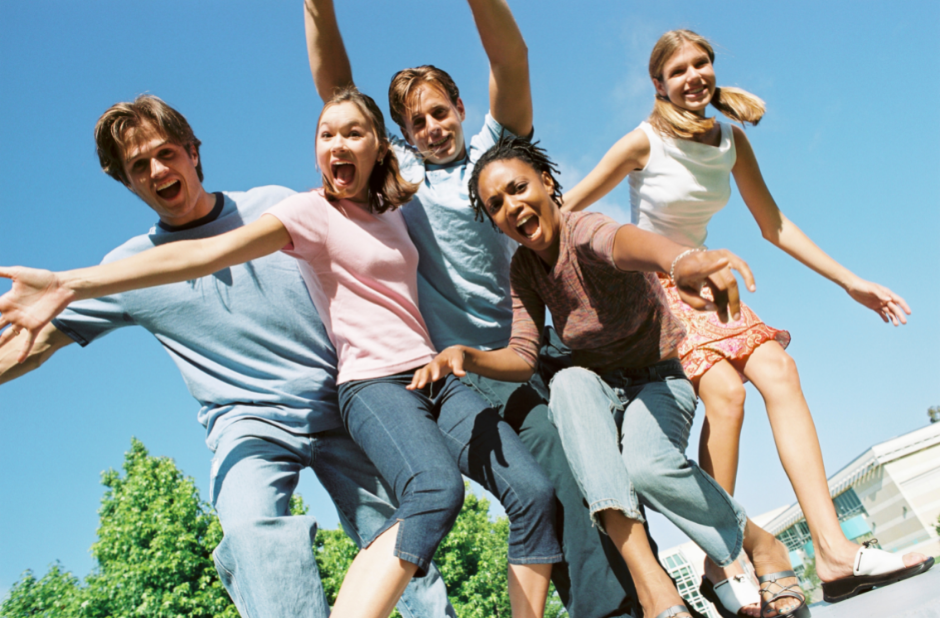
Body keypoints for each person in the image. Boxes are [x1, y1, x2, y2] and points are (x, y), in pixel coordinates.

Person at [0, 87, 561, 618]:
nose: (156, 172)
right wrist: (66, 288)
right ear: (128, 184)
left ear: (194, 153)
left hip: (338, 402)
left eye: (165, 154)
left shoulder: (276, 204)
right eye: (138, 168)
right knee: (252, 531)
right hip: (250, 423)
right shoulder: (131, 266)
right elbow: (38, 339)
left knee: (409, 526)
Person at [303, 2, 659, 615]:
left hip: (547, 346)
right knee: (553, 466)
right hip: (478, 366)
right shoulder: (402, 176)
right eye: (417, 122)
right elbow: (338, 94)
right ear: (404, 135)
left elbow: (510, 59)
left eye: (441, 112)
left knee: (608, 468)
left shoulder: (496, 154)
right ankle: (613, 609)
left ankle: (658, 591)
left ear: (462, 109)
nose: (432, 127)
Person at [562, 29, 933, 615]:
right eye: (678, 70)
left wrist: (850, 281)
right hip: (658, 291)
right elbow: (568, 213)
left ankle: (834, 553)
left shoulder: (730, 140)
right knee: (726, 393)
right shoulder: (642, 141)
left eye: (701, 64)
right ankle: (723, 560)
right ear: (658, 85)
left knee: (779, 370)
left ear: (712, 68)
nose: (693, 77)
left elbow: (774, 224)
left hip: (711, 286)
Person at [409, 136, 811, 618]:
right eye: (496, 204)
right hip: (600, 385)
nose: (512, 206)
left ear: (548, 182)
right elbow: (521, 357)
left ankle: (761, 545)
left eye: (518, 189)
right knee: (568, 384)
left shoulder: (584, 231)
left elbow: (624, 244)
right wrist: (465, 356)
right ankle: (653, 588)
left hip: (657, 380)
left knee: (648, 468)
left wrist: (681, 260)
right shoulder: (525, 270)